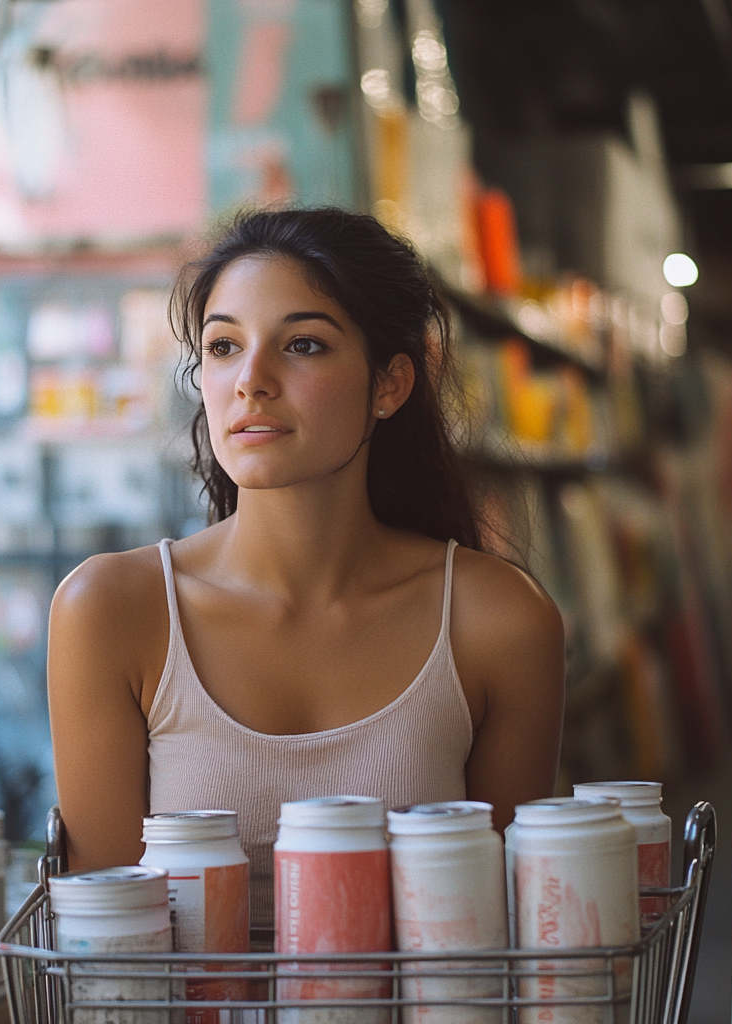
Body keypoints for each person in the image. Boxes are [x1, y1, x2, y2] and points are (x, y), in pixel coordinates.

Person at [48, 207, 565, 930]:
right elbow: (104, 953)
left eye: (303, 345)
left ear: (390, 384)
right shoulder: (110, 611)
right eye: (223, 346)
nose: (250, 381)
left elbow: (507, 933)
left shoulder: (500, 620)